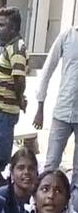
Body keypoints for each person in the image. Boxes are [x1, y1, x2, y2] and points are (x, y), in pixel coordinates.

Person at [34, 26, 78, 189]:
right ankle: (41, 207)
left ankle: (73, 211)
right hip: (62, 111)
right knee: (51, 165)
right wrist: (40, 105)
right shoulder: (67, 36)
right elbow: (47, 69)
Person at [0, 7, 28, 175]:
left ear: (13, 29)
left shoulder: (17, 48)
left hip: (4, 112)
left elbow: (19, 80)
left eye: (2, 25)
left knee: (1, 160)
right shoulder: (8, 46)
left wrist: (19, 99)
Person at [0, 147, 37, 213]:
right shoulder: (0, 197)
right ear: (12, 172)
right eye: (21, 168)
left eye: (31, 168)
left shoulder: (39, 197)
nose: (26, 172)